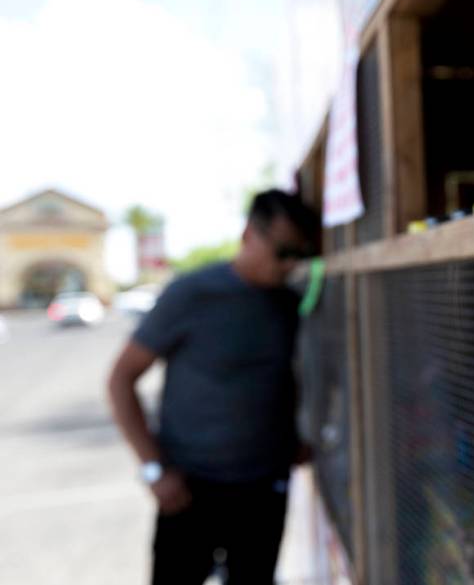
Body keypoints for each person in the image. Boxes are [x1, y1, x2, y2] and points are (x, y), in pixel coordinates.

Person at [107, 189, 319, 585]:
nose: (291, 265)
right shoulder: (191, 294)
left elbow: (287, 375)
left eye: (301, 255)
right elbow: (121, 378)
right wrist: (154, 469)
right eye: (284, 251)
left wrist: (293, 436)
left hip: (263, 490)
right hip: (189, 489)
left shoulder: (288, 304)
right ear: (248, 236)